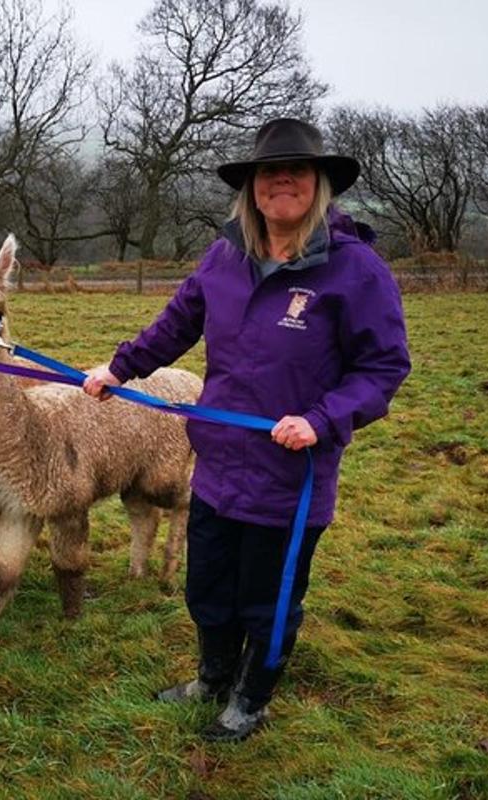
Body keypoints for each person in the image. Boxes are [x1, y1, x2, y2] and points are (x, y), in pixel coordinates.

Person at [83, 118, 411, 742]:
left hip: (290, 479)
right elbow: (177, 323)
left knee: (268, 599)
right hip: (216, 468)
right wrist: (119, 368)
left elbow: (384, 366)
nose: (281, 180)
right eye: (269, 171)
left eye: (297, 171)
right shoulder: (225, 256)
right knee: (206, 586)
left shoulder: (356, 270)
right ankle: (211, 678)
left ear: (319, 186)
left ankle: (251, 700)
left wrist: (322, 421)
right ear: (253, 188)